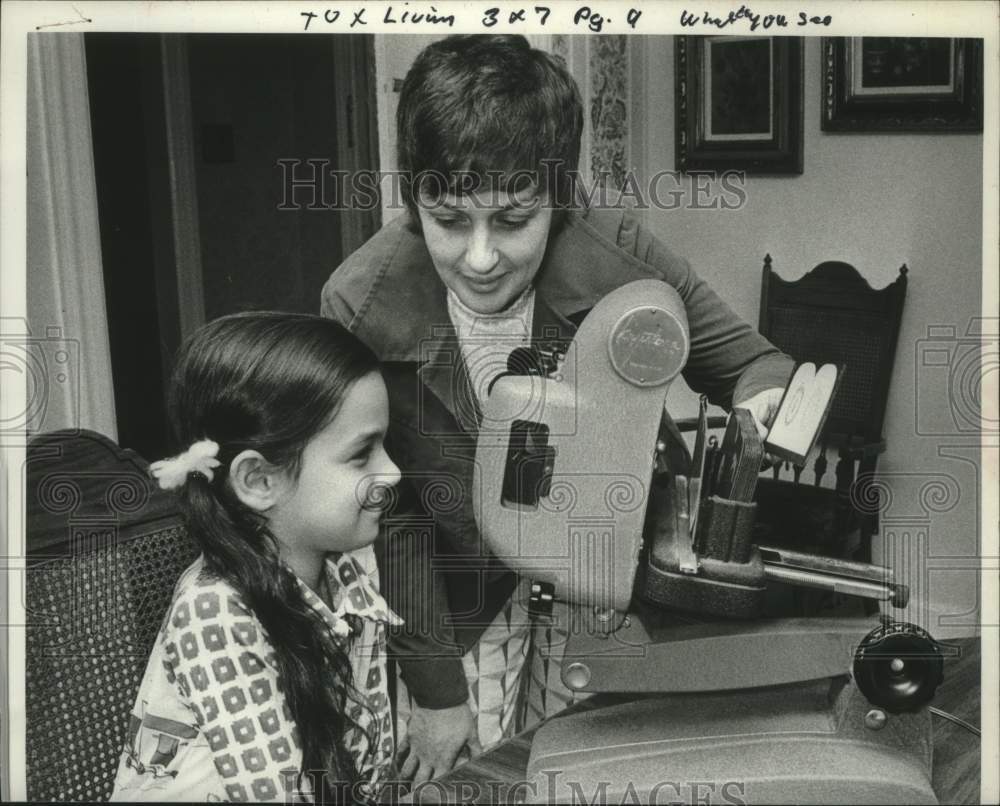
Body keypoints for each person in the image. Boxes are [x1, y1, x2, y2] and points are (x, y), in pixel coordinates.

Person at [321, 34, 795, 783]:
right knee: (465, 777)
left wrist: (769, 412)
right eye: (448, 220)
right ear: (413, 201)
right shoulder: (357, 306)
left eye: (513, 221)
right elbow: (395, 515)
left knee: (591, 768)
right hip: (457, 598)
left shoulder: (622, 256)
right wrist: (437, 691)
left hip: (599, 574)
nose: (479, 258)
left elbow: (754, 365)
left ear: (561, 198)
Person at [111, 312, 402, 803]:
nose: (392, 472)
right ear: (259, 481)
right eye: (362, 454)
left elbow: (368, 761)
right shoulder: (214, 613)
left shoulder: (348, 569)